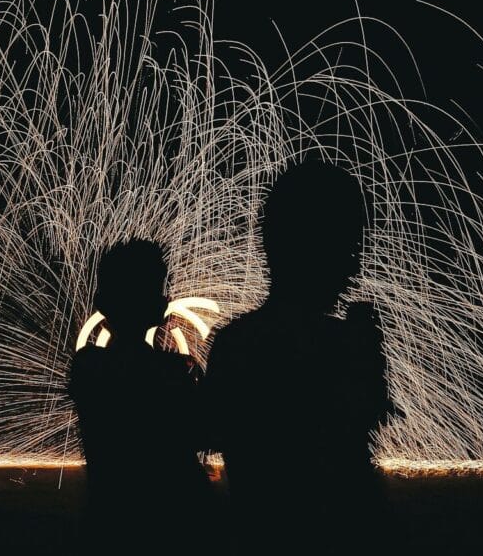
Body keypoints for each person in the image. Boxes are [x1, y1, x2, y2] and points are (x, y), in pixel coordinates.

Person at [204, 161, 394, 552]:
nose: (356, 263)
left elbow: (215, 434)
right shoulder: (343, 347)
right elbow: (352, 449)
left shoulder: (233, 344)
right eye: (348, 244)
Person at [68, 239, 213, 554]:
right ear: (157, 306)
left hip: (111, 524)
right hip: (175, 525)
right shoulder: (172, 373)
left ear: (102, 302)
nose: (166, 297)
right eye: (159, 288)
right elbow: (205, 434)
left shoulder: (88, 367)